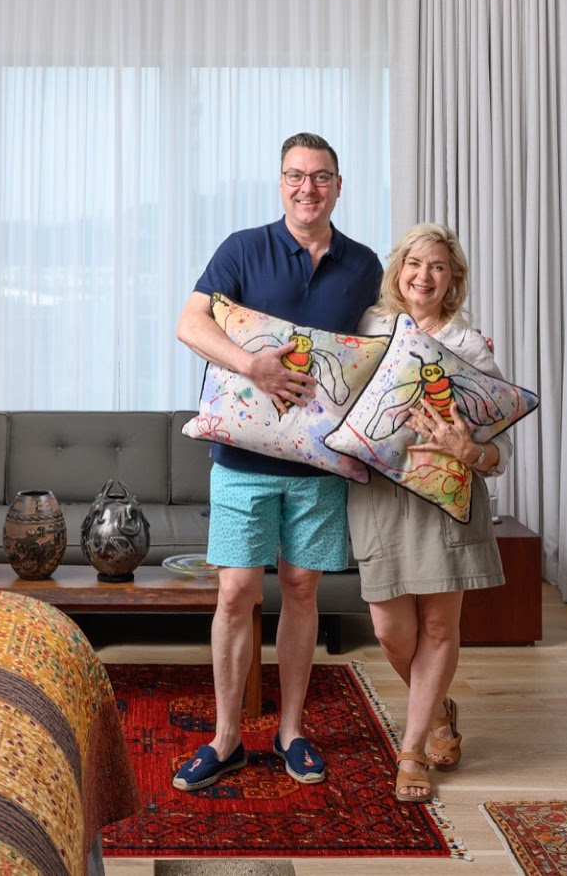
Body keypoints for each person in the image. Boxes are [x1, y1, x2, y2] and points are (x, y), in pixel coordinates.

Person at [172, 132, 383, 790]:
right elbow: (190, 323)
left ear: (338, 186)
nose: (306, 188)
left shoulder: (365, 265)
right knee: (236, 590)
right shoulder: (242, 249)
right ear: (280, 180)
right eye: (295, 175)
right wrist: (251, 365)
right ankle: (227, 737)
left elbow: (390, 347)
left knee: (300, 589)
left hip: (319, 466)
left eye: (320, 177)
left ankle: (292, 730)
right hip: (239, 459)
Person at [345, 222, 514, 801]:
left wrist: (474, 451)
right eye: (415, 264)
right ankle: (439, 711)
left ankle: (412, 751)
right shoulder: (369, 328)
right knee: (391, 631)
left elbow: (500, 445)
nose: (424, 276)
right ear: (398, 271)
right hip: (379, 495)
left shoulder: (470, 348)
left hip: (447, 493)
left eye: (438, 266)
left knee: (440, 626)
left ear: (453, 279)